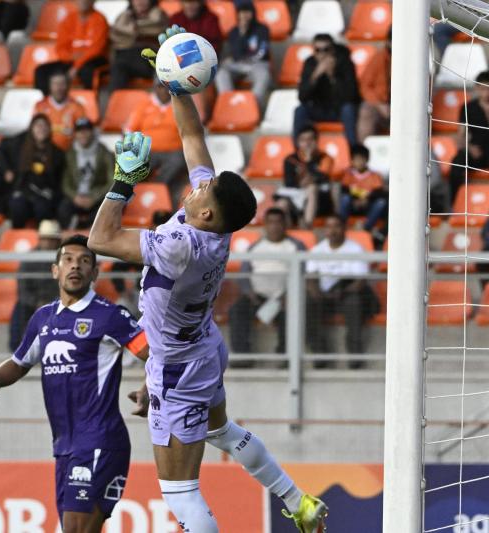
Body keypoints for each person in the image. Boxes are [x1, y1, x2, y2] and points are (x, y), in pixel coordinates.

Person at [87, 26, 327, 532]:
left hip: (176, 368)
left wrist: (123, 182)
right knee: (221, 433)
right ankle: (296, 501)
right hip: (202, 348)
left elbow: (101, 241)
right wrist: (176, 88)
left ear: (208, 216)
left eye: (203, 194)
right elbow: (194, 138)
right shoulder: (211, 220)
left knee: (179, 492)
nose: (196, 188)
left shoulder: (181, 246)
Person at [0, 235, 148, 532]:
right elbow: (19, 362)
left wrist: (149, 386)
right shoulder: (43, 318)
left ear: (95, 273)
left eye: (85, 261)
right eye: (68, 259)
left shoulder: (111, 316)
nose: (75, 266)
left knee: (74, 528)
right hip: (64, 446)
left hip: (99, 440)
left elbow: (155, 354)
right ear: (55, 270)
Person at [228, 208, 305, 356]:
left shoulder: (296, 246)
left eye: (278, 222)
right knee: (237, 310)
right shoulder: (255, 247)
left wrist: (288, 295)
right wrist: (249, 293)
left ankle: (285, 356)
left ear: (285, 224)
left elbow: (302, 274)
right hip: (257, 297)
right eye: (270, 223)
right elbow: (244, 275)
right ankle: (242, 356)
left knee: (289, 314)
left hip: (284, 298)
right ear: (265, 225)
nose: (275, 226)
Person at [306, 216, 378, 366]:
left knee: (354, 302)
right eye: (329, 226)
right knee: (308, 302)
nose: (332, 231)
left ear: (344, 228)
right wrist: (317, 294)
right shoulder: (317, 250)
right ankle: (319, 354)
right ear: (324, 230)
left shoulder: (355, 249)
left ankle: (354, 355)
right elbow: (311, 278)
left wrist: (342, 293)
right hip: (325, 294)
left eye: (336, 226)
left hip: (347, 294)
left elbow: (360, 282)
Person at [0, 114, 65, 228]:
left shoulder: (57, 153)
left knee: (42, 208)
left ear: (49, 130)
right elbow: (1, 149)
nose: (41, 129)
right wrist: (6, 170)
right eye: (38, 125)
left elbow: (58, 181)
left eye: (44, 126)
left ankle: (43, 241)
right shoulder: (19, 144)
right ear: (31, 129)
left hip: (43, 194)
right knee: (17, 204)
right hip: (22, 189)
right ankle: (16, 237)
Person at [126, 80, 187, 204]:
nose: (163, 91)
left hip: (173, 150)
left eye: (166, 87)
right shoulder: (144, 104)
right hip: (147, 150)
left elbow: (189, 132)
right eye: (160, 87)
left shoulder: (180, 105)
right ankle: (130, 201)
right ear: (154, 88)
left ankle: (156, 188)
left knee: (177, 161)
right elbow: (129, 130)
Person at [294, 33, 360, 148]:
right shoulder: (309, 64)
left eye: (326, 50)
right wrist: (314, 76)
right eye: (318, 50)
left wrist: (332, 77)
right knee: (300, 110)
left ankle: (353, 151)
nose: (322, 54)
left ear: (332, 49)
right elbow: (302, 97)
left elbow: (350, 96)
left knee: (348, 109)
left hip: (339, 109)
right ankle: (298, 152)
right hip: (319, 109)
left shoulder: (345, 63)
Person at [8, 219, 62, 350]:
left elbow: (67, 286)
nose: (48, 243)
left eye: (51, 239)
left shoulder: (64, 258)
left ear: (57, 241)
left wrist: (51, 302)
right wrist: (36, 302)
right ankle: (17, 351)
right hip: (31, 303)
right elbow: (23, 287)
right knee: (19, 310)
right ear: (40, 239)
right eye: (45, 239)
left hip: (57, 303)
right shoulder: (30, 258)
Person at [33, 0, 109, 93]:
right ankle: (47, 103)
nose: (83, 1)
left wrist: (77, 66)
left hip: (92, 61)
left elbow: (96, 50)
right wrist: (72, 57)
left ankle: (89, 101)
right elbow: (60, 48)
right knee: (41, 71)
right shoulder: (68, 19)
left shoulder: (100, 20)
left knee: (87, 71)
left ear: (93, 1)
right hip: (71, 60)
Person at [58, 118, 115, 230]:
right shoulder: (70, 154)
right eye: (79, 131)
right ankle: (68, 234)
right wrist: (75, 197)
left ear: (92, 132)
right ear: (75, 134)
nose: (83, 134)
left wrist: (94, 197)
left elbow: (112, 180)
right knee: (62, 207)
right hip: (76, 197)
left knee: (109, 206)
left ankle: (89, 229)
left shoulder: (104, 152)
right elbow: (65, 182)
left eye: (86, 130)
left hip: (96, 196)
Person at [275, 125, 335, 229]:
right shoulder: (290, 160)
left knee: (312, 188)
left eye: (310, 139)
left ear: (316, 141)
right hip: (296, 195)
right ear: (298, 142)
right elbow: (289, 182)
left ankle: (307, 226)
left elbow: (322, 177)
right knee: (281, 203)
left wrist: (309, 161)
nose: (307, 143)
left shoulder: (326, 158)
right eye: (303, 140)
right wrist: (303, 182)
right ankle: (288, 233)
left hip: (320, 200)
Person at [215, 1, 271, 109]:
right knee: (221, 71)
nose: (244, 15)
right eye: (241, 12)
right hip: (239, 64)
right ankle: (228, 104)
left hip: (257, 64)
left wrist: (250, 60)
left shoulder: (262, 29)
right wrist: (242, 33)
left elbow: (263, 51)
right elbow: (236, 54)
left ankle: (253, 107)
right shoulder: (234, 32)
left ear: (253, 13)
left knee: (264, 74)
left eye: (247, 11)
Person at [108, 0, 168, 90]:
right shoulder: (124, 16)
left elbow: (158, 30)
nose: (140, 2)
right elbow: (116, 35)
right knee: (118, 65)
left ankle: (160, 101)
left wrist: (134, 32)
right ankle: (116, 101)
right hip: (125, 59)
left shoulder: (159, 16)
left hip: (151, 60)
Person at [449, 70, 489, 201]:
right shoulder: (468, 108)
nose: (486, 93)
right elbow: (460, 136)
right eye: (483, 89)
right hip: (477, 152)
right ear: (477, 88)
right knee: (457, 162)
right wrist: (470, 148)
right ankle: (454, 203)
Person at [33, 71, 88, 151]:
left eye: (62, 84)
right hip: (45, 152)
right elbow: (34, 132)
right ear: (50, 86)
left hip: (69, 153)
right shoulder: (40, 106)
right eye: (55, 84)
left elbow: (84, 132)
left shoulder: (77, 107)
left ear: (68, 86)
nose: (59, 88)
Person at [338, 144, 387, 233]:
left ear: (367, 159)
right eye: (356, 159)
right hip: (353, 205)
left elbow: (379, 192)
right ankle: (342, 226)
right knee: (345, 199)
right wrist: (355, 200)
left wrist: (367, 199)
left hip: (368, 205)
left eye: (361, 159)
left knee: (381, 203)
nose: (359, 162)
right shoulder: (348, 174)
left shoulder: (375, 175)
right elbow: (344, 189)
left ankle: (365, 228)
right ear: (352, 161)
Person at [357, 29, 391, 142]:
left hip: (404, 107)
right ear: (388, 42)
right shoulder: (379, 58)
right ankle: (363, 155)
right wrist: (379, 104)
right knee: (366, 111)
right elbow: (365, 86)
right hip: (380, 105)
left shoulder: (413, 60)